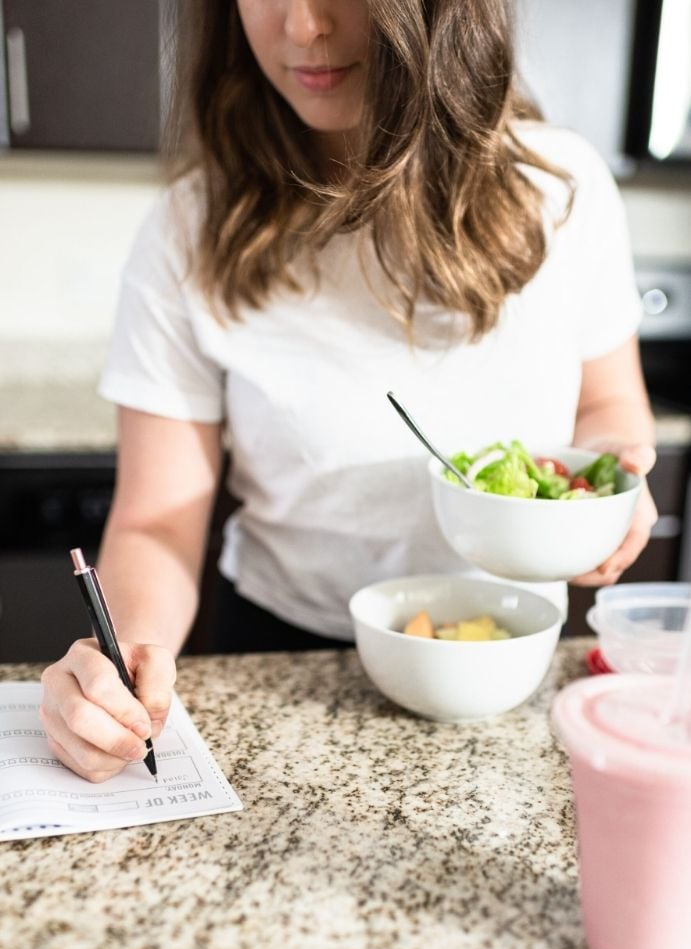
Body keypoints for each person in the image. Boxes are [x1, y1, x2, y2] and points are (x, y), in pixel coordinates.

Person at [40, 0, 657, 782]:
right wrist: (121, 660)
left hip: (510, 663)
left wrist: (607, 483)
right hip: (280, 657)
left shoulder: (564, 190)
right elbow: (159, 518)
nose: (300, 27)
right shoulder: (189, 227)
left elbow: (608, 407)